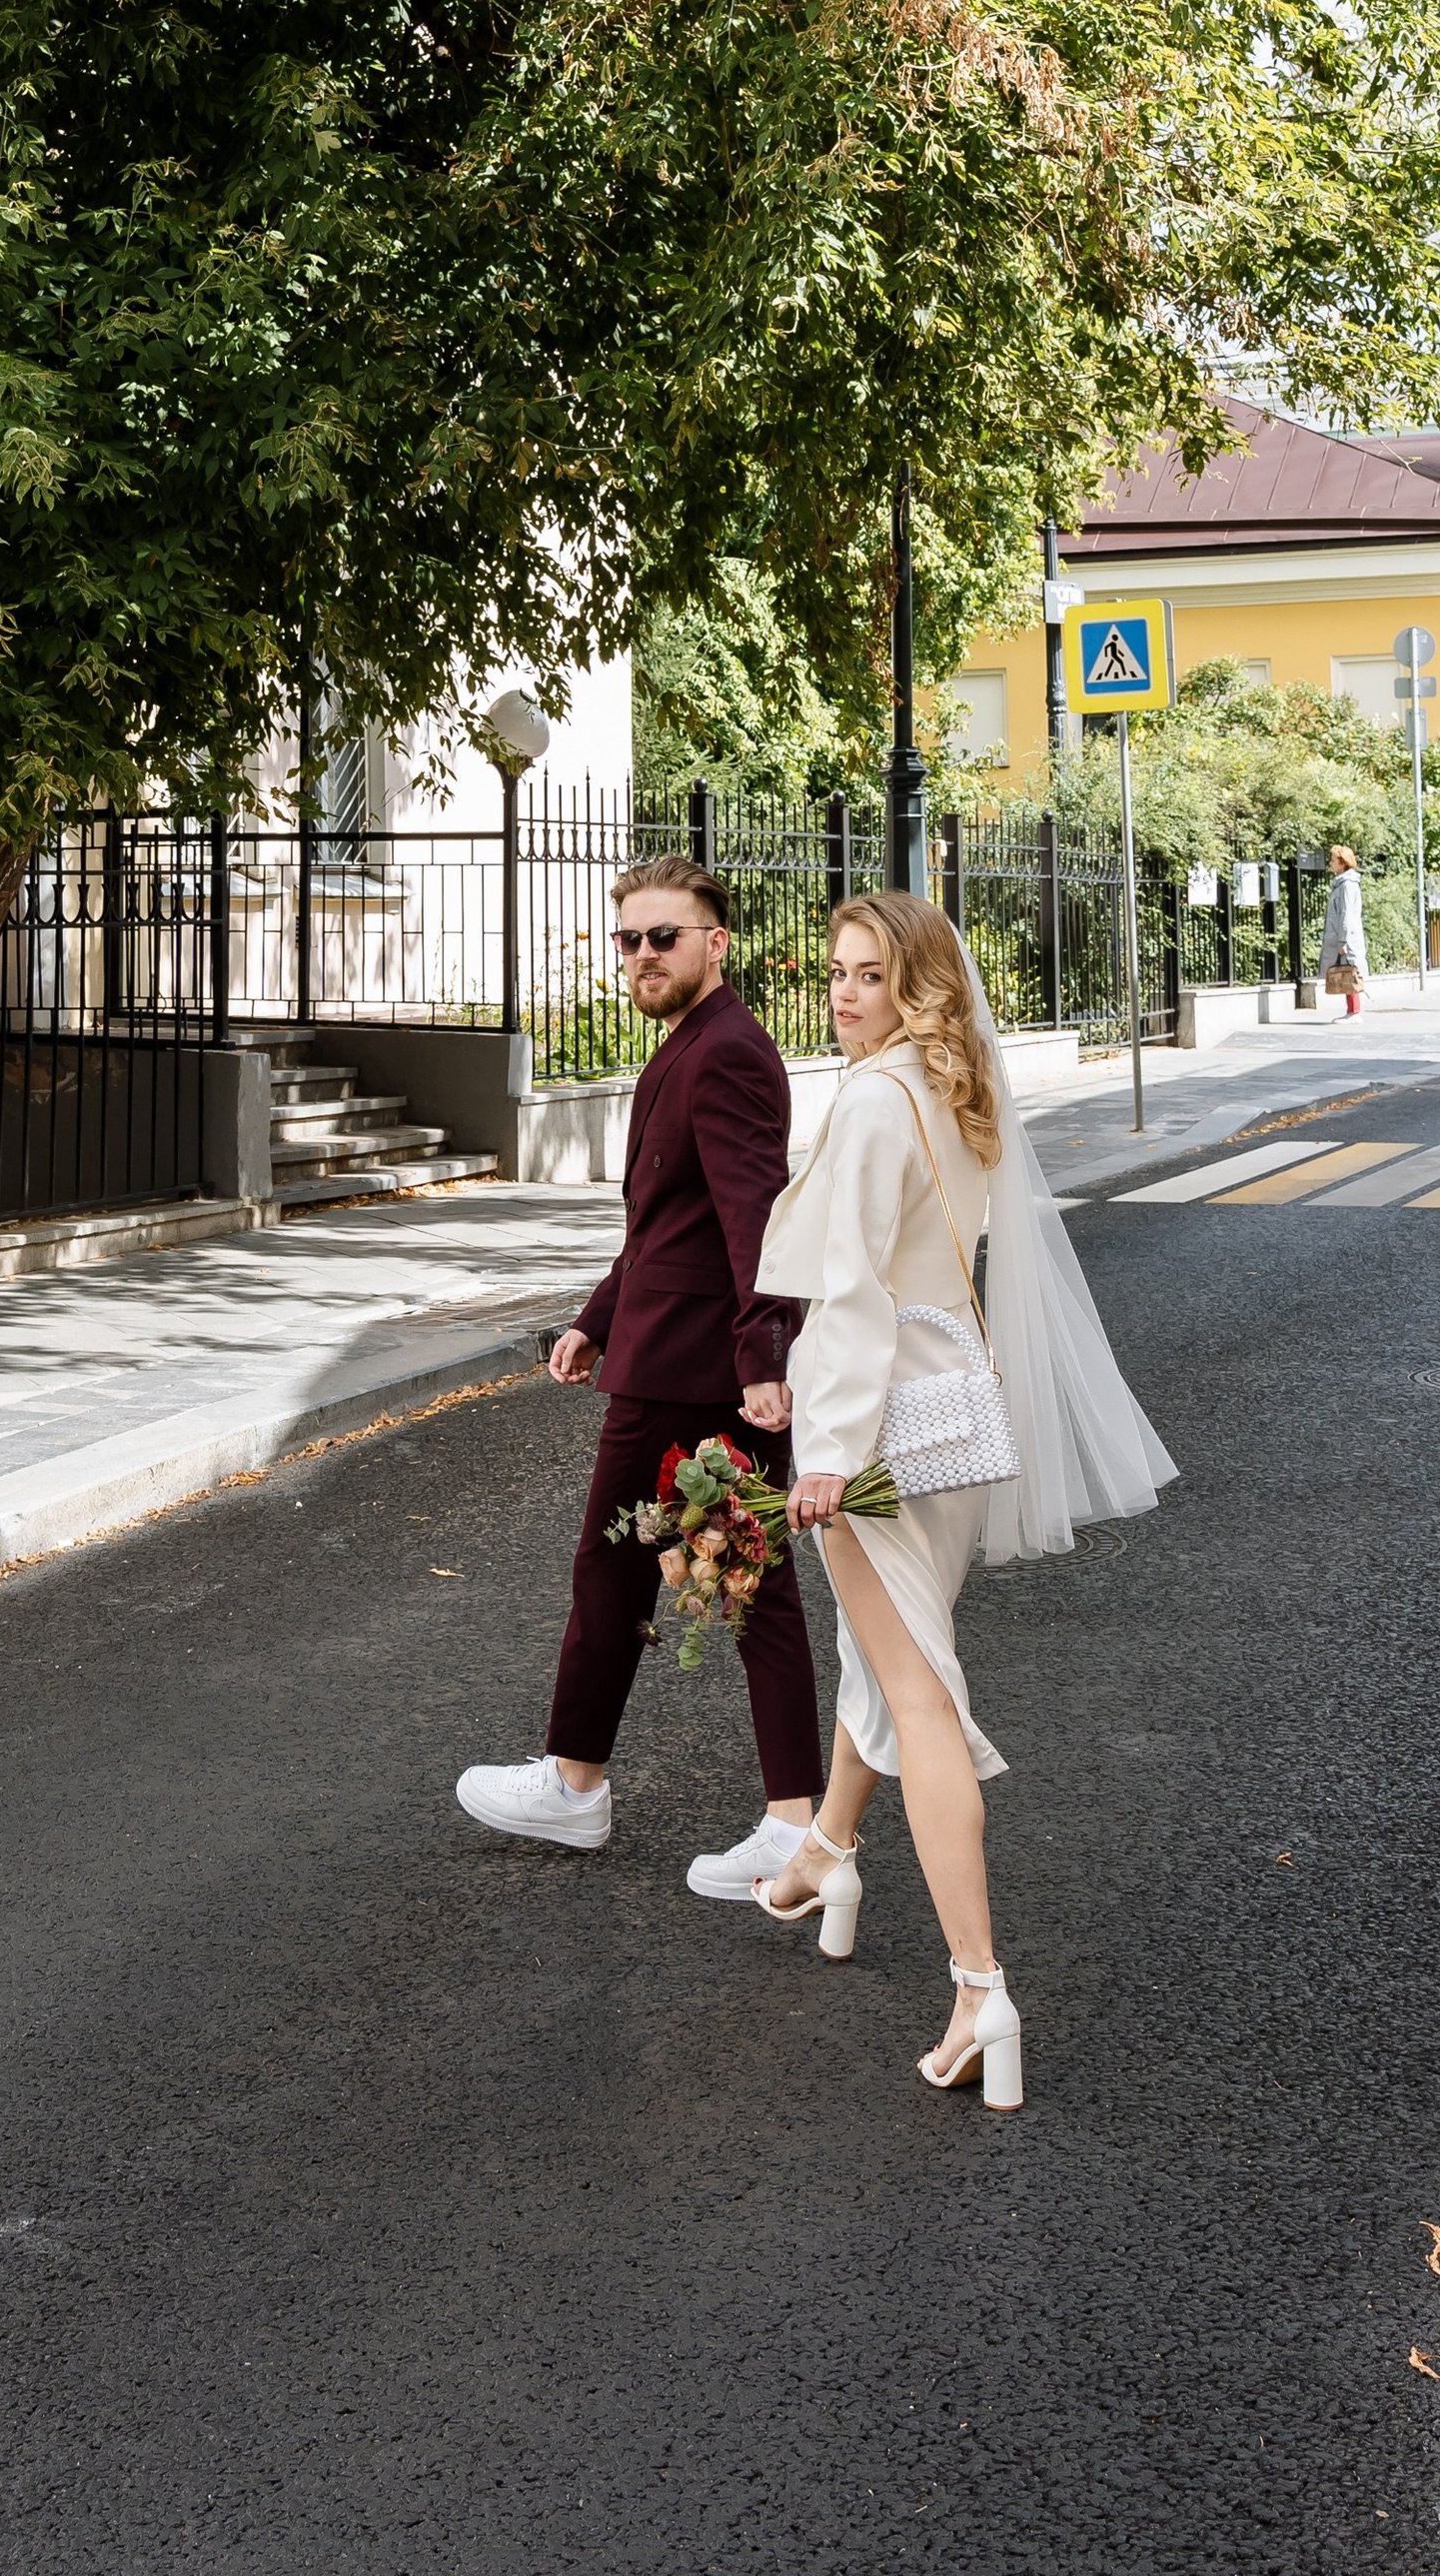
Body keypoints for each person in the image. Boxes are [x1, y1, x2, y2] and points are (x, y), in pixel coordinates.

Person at [744, 892, 1177, 2111]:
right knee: (886, 1650)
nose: (841, 994)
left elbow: (853, 1300)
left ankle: (980, 1988)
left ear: (916, 986)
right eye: (833, 972)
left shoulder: (878, 1098)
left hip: (877, 1427)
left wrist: (821, 1452)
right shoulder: (959, 1085)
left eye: (869, 976)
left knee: (919, 1690)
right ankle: (826, 1854)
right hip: (950, 1423)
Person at [456, 854, 824, 1896]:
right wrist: (594, 1317)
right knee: (712, 1580)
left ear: (716, 940)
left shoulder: (727, 1054)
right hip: (669, 1352)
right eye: (629, 939)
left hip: (700, 1373)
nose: (643, 955)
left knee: (717, 1582)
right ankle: (747, 1811)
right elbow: (669, 1224)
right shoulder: (693, 1045)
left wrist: (762, 1357)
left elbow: (758, 1221)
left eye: (664, 936)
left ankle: (591, 1789)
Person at [1318, 845, 1367, 1016]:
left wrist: (1343, 941)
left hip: (1347, 938)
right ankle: (1351, 1011)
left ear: (1342, 862)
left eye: (1333, 860)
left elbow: (1346, 914)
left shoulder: (1347, 885)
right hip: (1345, 936)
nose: (1330, 863)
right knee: (1347, 971)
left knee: (1350, 971)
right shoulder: (1343, 883)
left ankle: (1354, 1012)